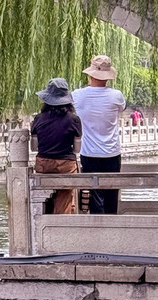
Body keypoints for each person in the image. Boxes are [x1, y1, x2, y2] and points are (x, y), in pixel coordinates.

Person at [72, 54, 126, 214]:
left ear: (90, 74)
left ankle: (96, 225)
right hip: (112, 152)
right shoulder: (116, 95)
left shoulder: (77, 95)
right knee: (111, 194)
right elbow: (122, 108)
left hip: (89, 152)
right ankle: (111, 224)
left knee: (94, 195)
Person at [30, 78, 82, 214]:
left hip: (44, 164)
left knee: (44, 199)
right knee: (65, 197)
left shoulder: (38, 119)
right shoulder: (74, 119)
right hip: (66, 165)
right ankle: (62, 219)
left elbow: (34, 147)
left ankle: (43, 218)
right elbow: (77, 149)